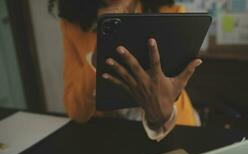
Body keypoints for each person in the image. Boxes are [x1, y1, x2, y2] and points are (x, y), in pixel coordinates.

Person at [49, 0, 202, 141]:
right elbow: (77, 112)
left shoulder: (171, 13)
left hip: (175, 129)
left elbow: (175, 89)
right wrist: (96, 60)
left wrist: (163, 115)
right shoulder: (72, 25)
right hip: (109, 139)